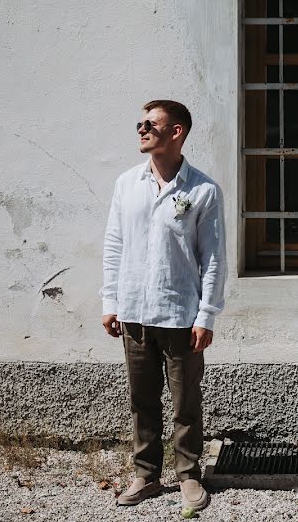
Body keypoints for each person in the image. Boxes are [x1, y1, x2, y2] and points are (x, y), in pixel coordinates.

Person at [100, 100, 226, 509]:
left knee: (185, 403)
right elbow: (114, 245)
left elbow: (213, 258)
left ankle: (189, 477)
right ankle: (146, 476)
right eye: (140, 123)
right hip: (134, 312)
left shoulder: (203, 190)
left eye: (150, 124)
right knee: (142, 400)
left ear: (176, 133)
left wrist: (206, 315)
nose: (141, 129)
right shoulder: (126, 184)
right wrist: (110, 301)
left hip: (180, 315)